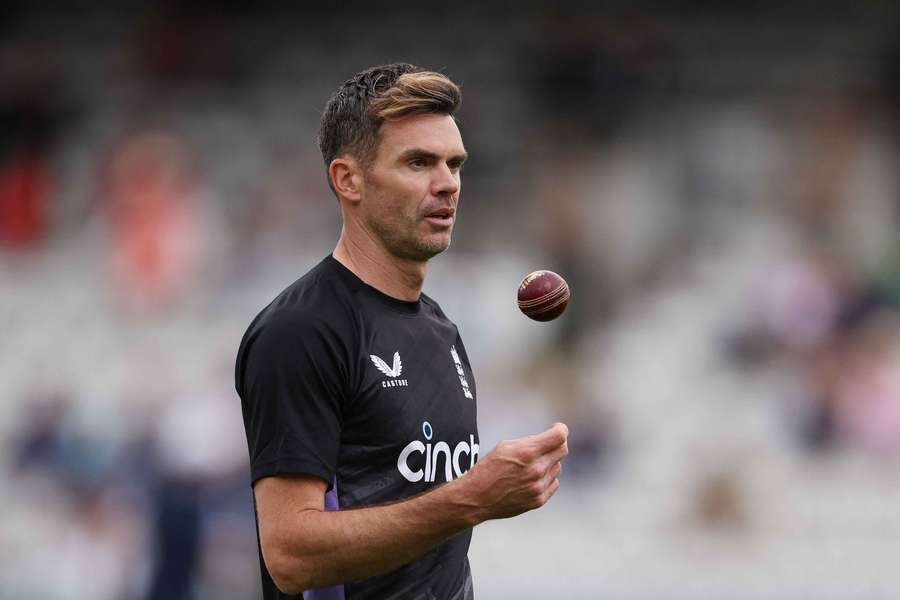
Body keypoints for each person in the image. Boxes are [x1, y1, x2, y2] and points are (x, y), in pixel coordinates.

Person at [235, 63, 569, 600]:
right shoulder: (302, 331)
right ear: (349, 180)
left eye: (454, 164)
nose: (448, 184)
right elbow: (290, 555)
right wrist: (474, 498)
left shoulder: (443, 332)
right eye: (418, 163)